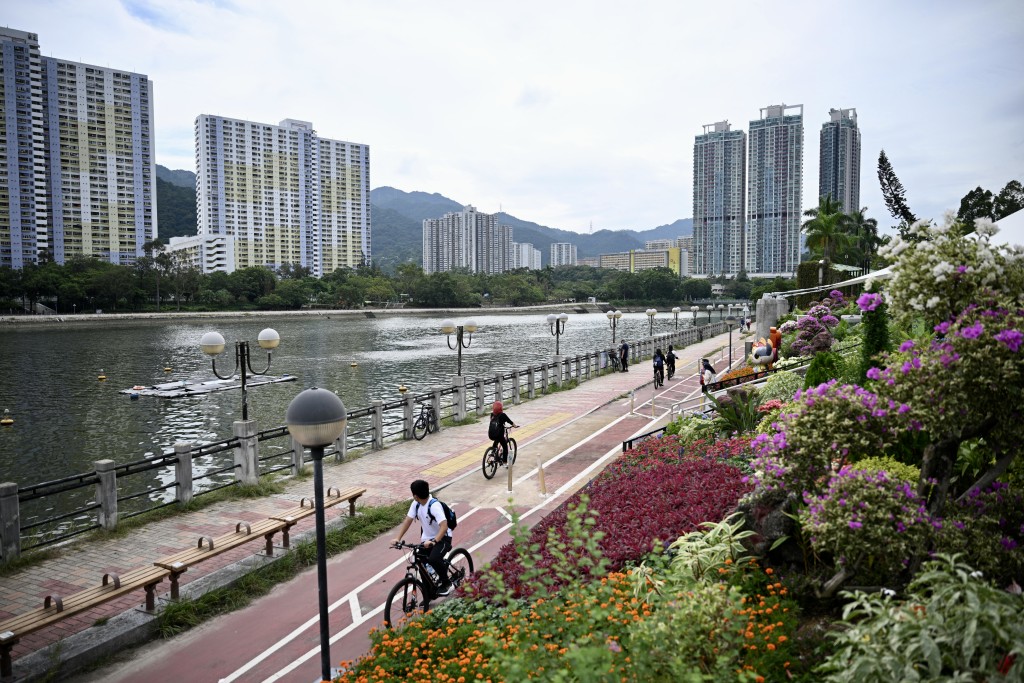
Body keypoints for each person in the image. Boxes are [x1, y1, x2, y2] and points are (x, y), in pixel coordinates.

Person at [392, 479, 454, 595]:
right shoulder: (416, 504)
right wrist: (398, 538)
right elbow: (408, 521)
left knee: (434, 559)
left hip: (443, 537)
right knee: (419, 560)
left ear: (415, 495)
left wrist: (434, 541)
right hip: (426, 539)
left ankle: (447, 584)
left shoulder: (434, 506)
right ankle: (429, 594)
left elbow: (444, 526)